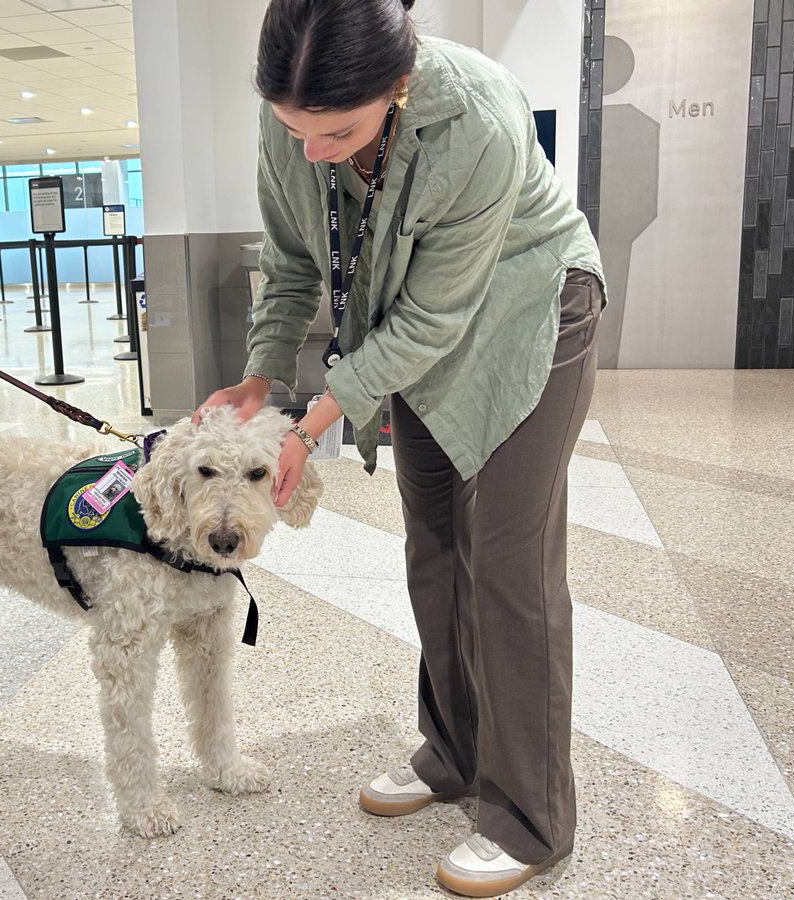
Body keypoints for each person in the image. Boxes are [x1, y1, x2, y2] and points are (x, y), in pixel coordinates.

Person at [196, 1, 605, 895]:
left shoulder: (480, 117)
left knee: (507, 560)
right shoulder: (299, 124)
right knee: (434, 549)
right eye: (292, 128)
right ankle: (453, 752)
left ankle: (533, 815)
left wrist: (313, 425)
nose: (311, 150)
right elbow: (297, 259)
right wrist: (260, 377)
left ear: (400, 85)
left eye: (336, 132)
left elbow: (437, 315)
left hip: (529, 310)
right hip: (410, 334)